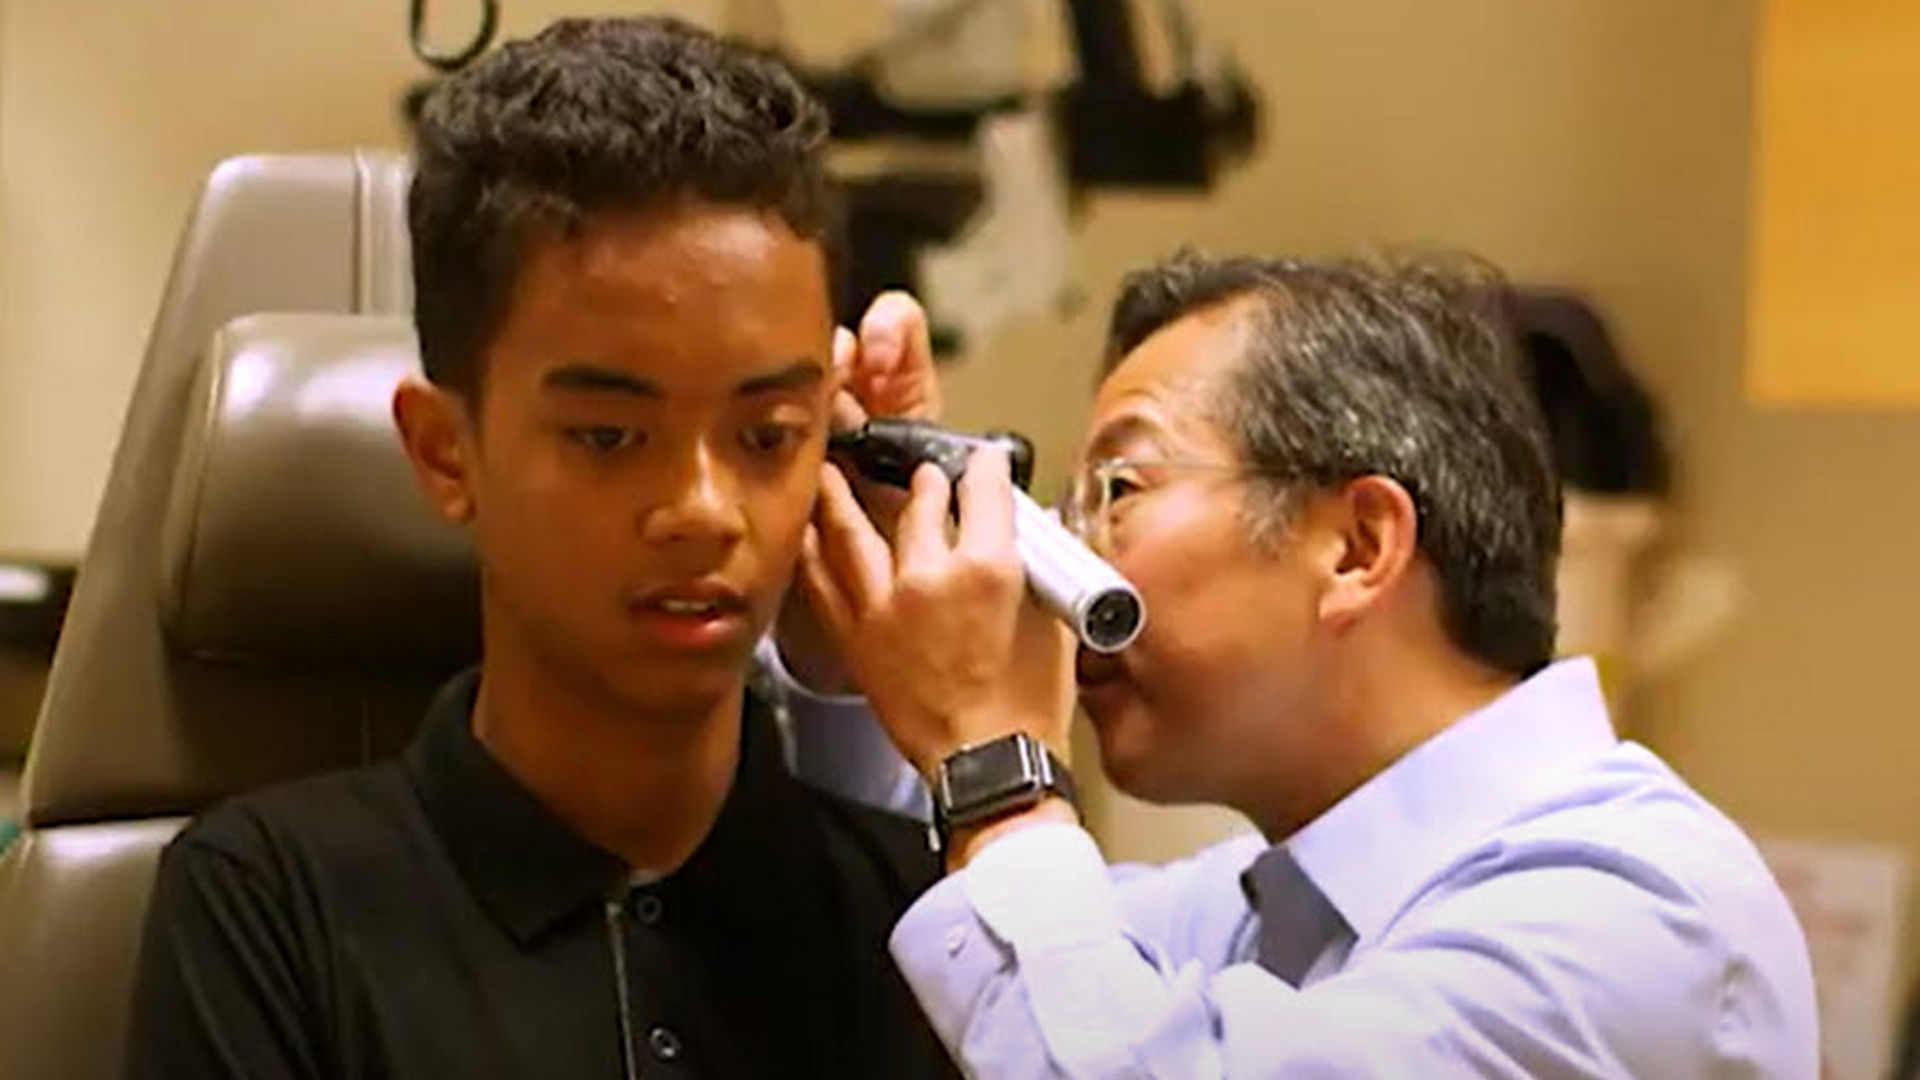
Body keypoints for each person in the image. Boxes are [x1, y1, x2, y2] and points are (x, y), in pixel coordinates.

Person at [122, 17, 958, 1080]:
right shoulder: (270, 913)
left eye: (767, 438)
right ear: (444, 453)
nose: (703, 510)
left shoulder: (932, 923)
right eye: (609, 437)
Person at [797, 253, 1822, 1076]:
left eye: (1118, 487)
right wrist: (856, 648)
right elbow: (979, 979)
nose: (1057, 572)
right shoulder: (1254, 908)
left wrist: (997, 763)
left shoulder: (1632, 913)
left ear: (1357, 546)